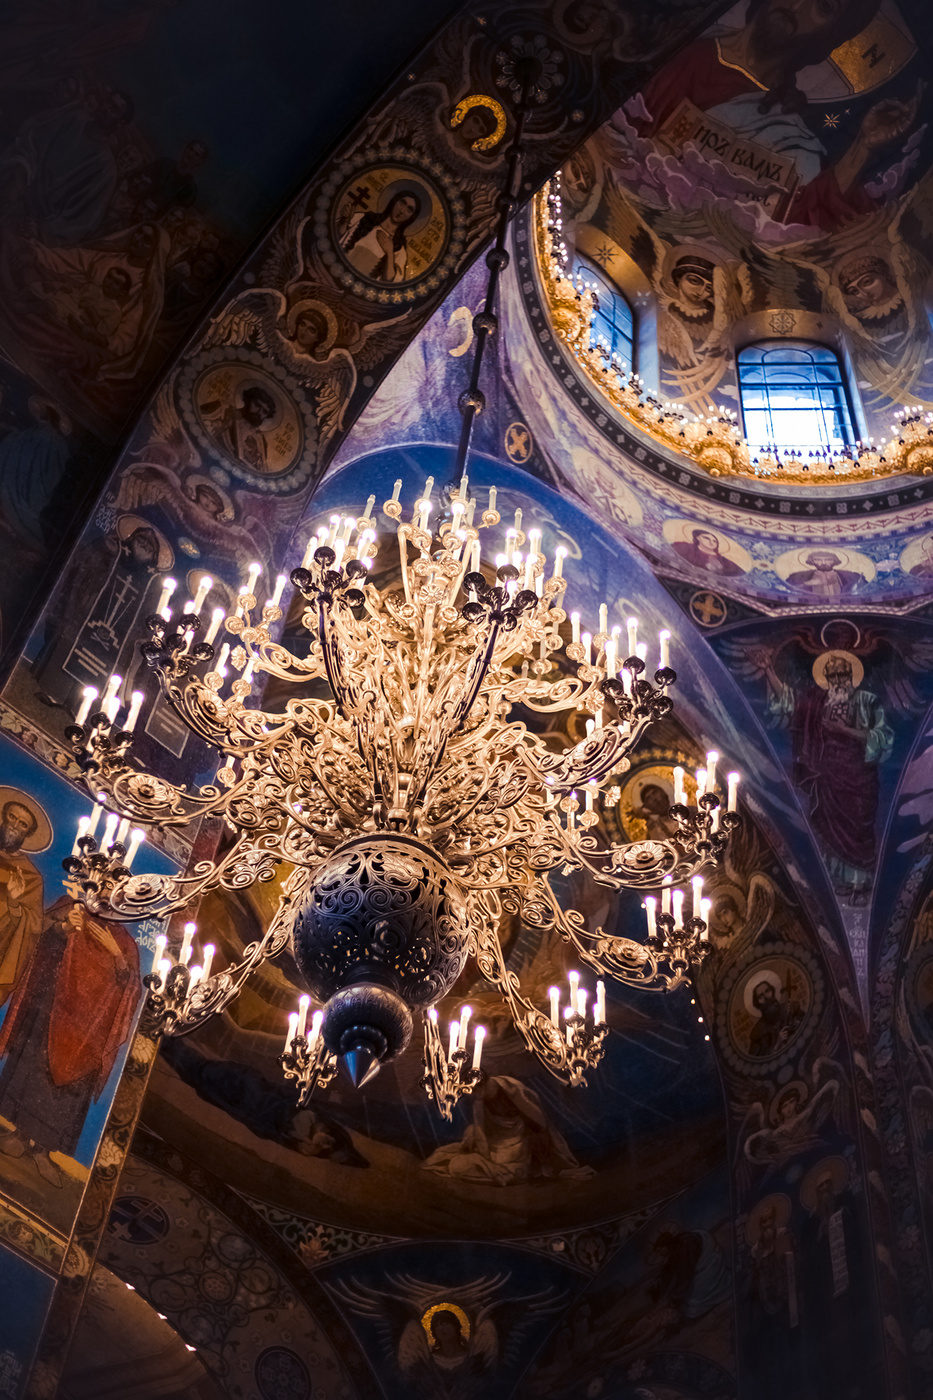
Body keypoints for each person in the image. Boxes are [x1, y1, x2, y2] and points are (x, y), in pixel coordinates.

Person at [638, 0, 919, 231]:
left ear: (830, 33)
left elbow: (805, 217)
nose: (797, 5)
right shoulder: (686, 55)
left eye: (823, 7)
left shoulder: (792, 127)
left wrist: (863, 146)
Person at [0, 897, 139, 1186]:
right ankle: (19, 1135)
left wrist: (116, 954)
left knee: (67, 1090)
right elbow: (38, 943)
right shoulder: (71, 908)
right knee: (34, 1068)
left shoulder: (125, 942)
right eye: (106, 885)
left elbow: (131, 989)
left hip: (87, 1032)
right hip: (51, 1010)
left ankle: (43, 1151)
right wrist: (63, 928)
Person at [762, 651, 892, 901]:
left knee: (858, 827)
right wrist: (769, 669)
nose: (837, 679)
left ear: (851, 675)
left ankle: (860, 885)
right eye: (831, 675)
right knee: (829, 824)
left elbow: (883, 736)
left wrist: (845, 730)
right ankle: (842, 881)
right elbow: (790, 702)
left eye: (842, 673)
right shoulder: (819, 702)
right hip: (827, 775)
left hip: (858, 777)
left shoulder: (867, 700)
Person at [423, 1075, 594, 1185]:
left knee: (492, 1167)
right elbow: (480, 1130)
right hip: (494, 1141)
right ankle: (488, 1166)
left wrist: (543, 1150)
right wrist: (486, 1157)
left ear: (483, 1084)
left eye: (475, 1091)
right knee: (456, 1157)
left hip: (517, 1141)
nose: (474, 1095)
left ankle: (496, 1169)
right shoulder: (479, 1098)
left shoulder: (510, 1089)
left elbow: (540, 1122)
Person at [0, 798, 45, 1006]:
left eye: (23, 824)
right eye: (12, 817)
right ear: (3, 816)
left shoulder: (30, 877)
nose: (14, 825)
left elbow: (33, 926)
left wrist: (13, 900)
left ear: (27, 833)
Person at [341, 190, 422, 282]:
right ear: (394, 202)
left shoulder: (399, 247)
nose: (402, 211)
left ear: (411, 217)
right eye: (402, 203)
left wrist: (390, 252)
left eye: (409, 210)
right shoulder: (365, 219)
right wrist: (345, 220)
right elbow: (339, 236)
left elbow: (390, 279)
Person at [202, 383, 278, 471]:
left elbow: (258, 469)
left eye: (265, 412)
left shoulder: (260, 442)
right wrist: (225, 423)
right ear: (248, 400)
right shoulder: (222, 410)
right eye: (257, 405)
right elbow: (200, 430)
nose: (259, 412)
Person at [746, 974, 803, 1057]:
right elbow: (758, 1063)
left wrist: (793, 1020)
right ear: (757, 1004)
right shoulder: (757, 1032)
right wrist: (777, 1045)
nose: (766, 997)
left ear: (772, 992)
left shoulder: (790, 1008)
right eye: (760, 996)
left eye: (767, 991)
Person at [672, 527, 744, 576]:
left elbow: (739, 573)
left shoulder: (725, 561)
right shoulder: (685, 547)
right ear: (697, 538)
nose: (711, 542)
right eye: (706, 538)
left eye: (714, 541)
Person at [786, 550, 861, 597]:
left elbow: (861, 589)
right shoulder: (797, 577)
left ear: (835, 561)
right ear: (812, 561)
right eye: (818, 560)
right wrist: (808, 583)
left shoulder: (852, 576)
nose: (823, 563)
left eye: (828, 559)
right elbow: (787, 590)